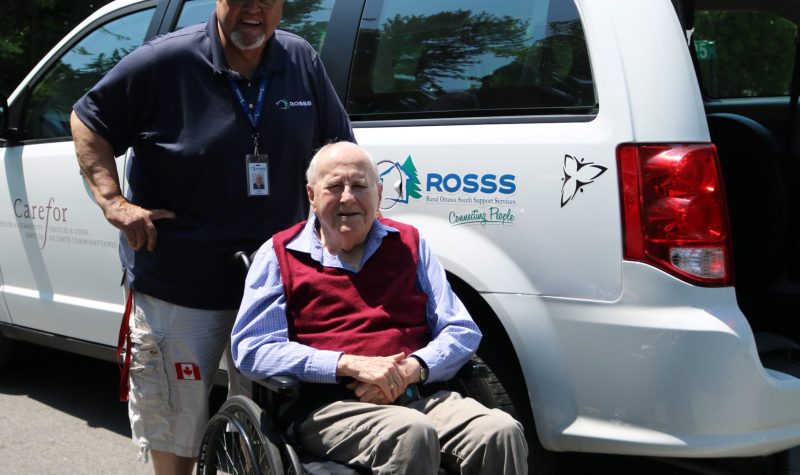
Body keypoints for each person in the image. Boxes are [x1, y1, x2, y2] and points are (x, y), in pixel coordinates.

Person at [70, 0, 354, 473]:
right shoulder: (166, 60)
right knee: (176, 427)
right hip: (180, 283)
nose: (255, 8)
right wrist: (112, 200)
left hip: (275, 288)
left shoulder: (300, 59)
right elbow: (88, 119)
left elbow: (338, 150)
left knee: (270, 432)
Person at [232, 142, 528, 475]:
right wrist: (346, 364)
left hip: (418, 392)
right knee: (410, 433)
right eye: (334, 187)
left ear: (379, 193)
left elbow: (461, 330)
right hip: (329, 407)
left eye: (360, 186)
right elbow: (252, 349)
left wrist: (410, 370)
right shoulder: (279, 254)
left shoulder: (410, 243)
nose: (347, 198)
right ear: (312, 195)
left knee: (499, 432)